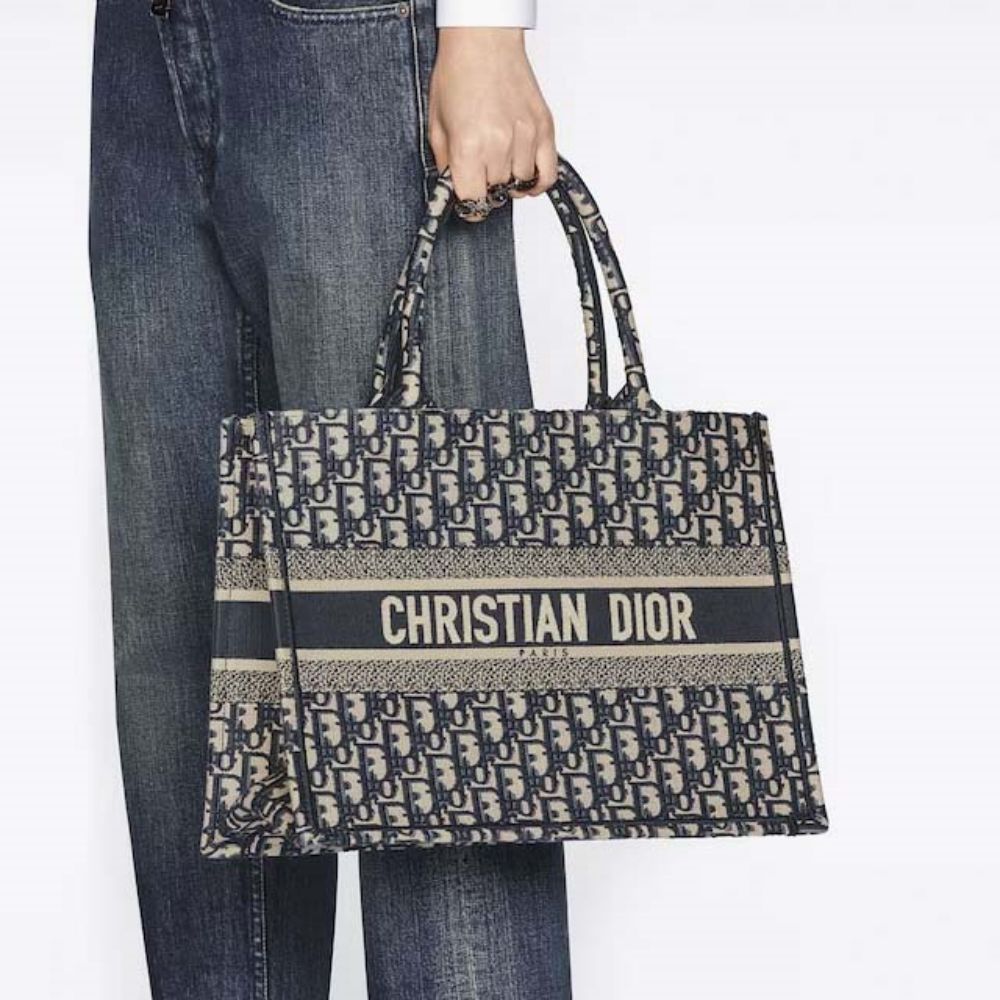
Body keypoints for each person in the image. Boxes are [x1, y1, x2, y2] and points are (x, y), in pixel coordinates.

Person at [89, 1, 571, 998]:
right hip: (142, 34)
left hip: (348, 35)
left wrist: (486, 27)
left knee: (440, 678)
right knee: (197, 662)